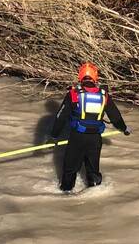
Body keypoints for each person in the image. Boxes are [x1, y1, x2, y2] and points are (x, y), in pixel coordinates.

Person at [48, 62, 131, 192]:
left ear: (80, 77)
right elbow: (115, 116)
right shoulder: (104, 95)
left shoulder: (73, 94)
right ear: (95, 78)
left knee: (70, 169)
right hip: (95, 139)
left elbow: (61, 117)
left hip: (77, 137)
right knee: (93, 170)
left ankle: (66, 193)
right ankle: (94, 190)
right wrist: (124, 129)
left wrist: (53, 135)